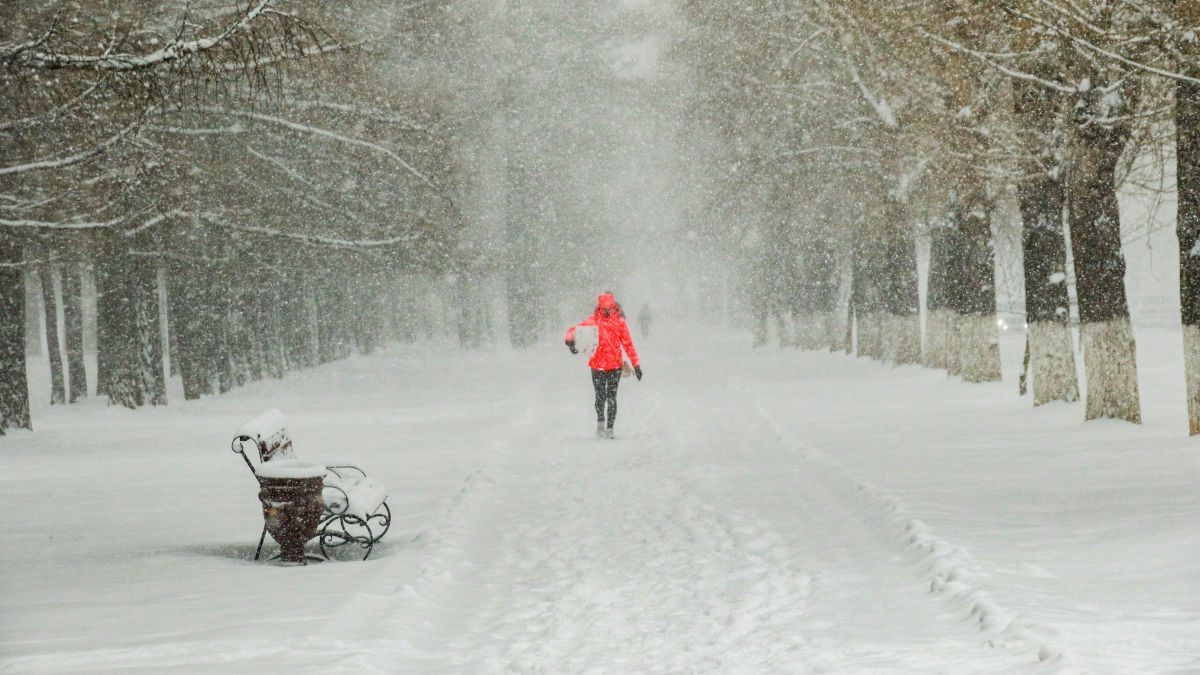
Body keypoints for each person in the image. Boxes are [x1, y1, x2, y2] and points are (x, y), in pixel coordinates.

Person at [565, 292, 642, 438]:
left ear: (613, 307)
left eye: (609, 308)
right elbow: (572, 331)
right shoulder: (592, 321)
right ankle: (600, 424)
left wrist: (636, 364)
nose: (606, 311)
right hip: (597, 366)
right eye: (604, 308)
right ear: (599, 307)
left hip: (615, 367)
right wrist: (570, 342)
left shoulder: (620, 323)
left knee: (612, 398)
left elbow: (628, 345)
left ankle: (610, 429)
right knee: (600, 398)